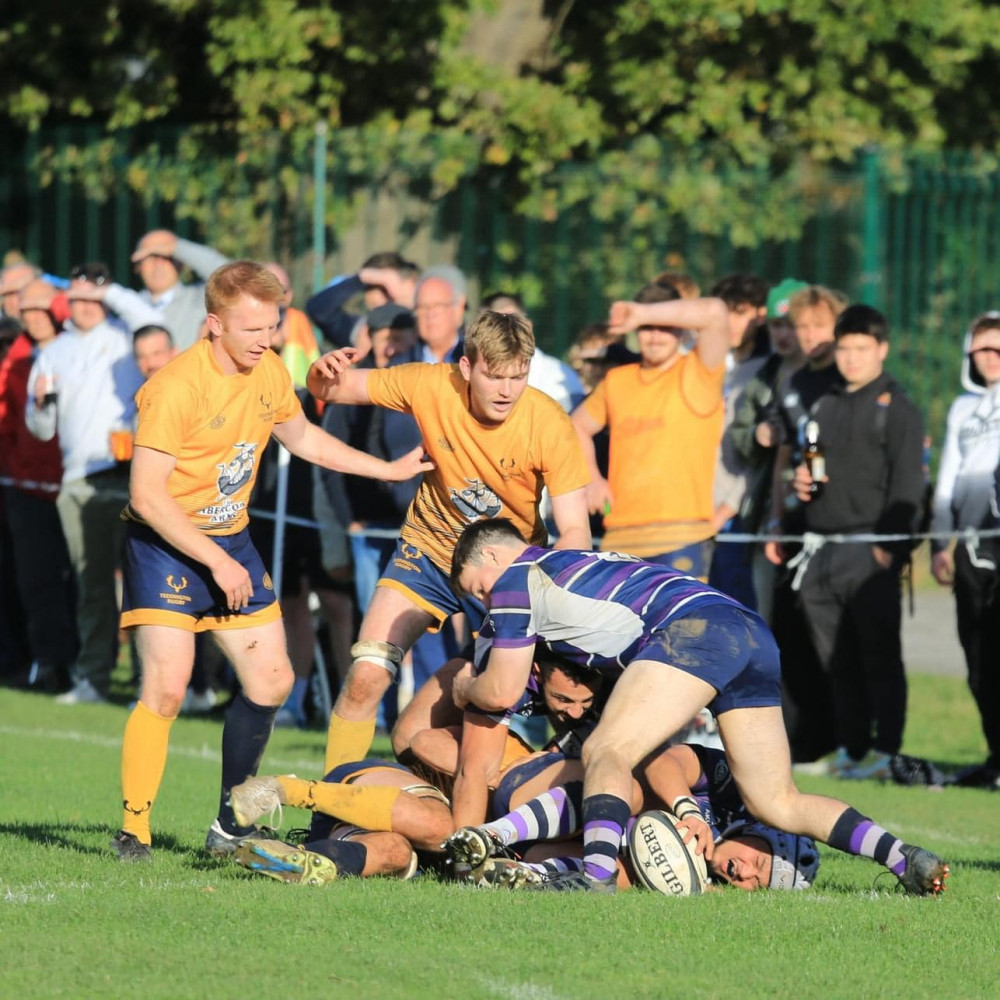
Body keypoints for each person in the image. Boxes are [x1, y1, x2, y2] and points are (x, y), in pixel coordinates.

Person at [111, 260, 432, 862]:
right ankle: (134, 830)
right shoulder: (175, 387)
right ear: (213, 325)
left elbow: (304, 438)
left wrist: (387, 468)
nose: (266, 339)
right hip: (164, 544)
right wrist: (217, 561)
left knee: (273, 680)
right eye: (252, 329)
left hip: (228, 540)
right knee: (168, 687)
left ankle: (229, 827)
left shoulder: (267, 374)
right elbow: (147, 496)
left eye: (273, 327)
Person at [449, 517, 948, 896]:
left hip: (694, 630)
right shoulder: (577, 562)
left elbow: (500, 691)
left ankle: (594, 876)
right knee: (776, 801)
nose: (485, 602)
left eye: (478, 588)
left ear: (493, 557)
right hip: (749, 631)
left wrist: (464, 688)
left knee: (607, 748)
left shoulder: (516, 580)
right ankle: (904, 858)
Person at [306, 309, 592, 776]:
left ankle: (552, 801)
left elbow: (575, 530)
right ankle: (333, 813)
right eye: (494, 376)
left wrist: (551, 586)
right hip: (429, 553)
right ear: (465, 367)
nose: (507, 390)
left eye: (518, 377)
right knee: (366, 675)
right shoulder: (429, 384)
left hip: (507, 573)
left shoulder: (548, 423)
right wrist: (320, 374)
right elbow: (330, 388)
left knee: (552, 701)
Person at [790, 305, 925, 781]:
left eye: (861, 349)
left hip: (871, 548)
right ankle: (851, 747)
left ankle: (887, 751)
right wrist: (799, 483)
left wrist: (892, 549)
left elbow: (910, 484)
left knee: (878, 654)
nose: (850, 358)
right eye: (844, 348)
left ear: (882, 350)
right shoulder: (823, 403)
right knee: (835, 659)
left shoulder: (898, 407)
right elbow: (805, 467)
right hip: (820, 548)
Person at [25, 262, 160, 704]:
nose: (86, 306)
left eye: (93, 298)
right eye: (79, 298)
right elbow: (40, 427)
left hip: (134, 475)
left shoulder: (123, 334)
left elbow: (149, 320)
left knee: (148, 585)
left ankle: (151, 683)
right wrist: (43, 405)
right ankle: (93, 678)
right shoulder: (54, 351)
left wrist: (106, 289)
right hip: (80, 480)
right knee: (94, 586)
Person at [446, 742, 820, 892]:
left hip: (543, 845)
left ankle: (524, 876)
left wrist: (684, 887)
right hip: (542, 790)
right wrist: (688, 810)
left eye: (759, 884)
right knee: (632, 790)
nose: (747, 873)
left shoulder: (713, 881)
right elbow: (663, 760)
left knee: (637, 873)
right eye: (759, 861)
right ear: (758, 832)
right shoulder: (734, 791)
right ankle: (493, 834)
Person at [570, 285, 729, 579]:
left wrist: (642, 313)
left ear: (681, 331)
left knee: (681, 627)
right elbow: (574, 426)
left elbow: (716, 313)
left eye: (665, 327)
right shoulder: (617, 380)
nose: (654, 336)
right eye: (646, 328)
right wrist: (593, 479)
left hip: (683, 537)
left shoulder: (698, 372)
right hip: (620, 539)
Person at [930, 312, 1000, 789]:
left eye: (997, 349)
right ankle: (995, 755)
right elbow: (949, 478)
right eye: (980, 351)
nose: (989, 358)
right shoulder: (961, 410)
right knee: (979, 658)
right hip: (970, 546)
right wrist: (940, 541)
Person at [0, 278, 77, 692]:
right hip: (27, 485)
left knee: (82, 579)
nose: (32, 316)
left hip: (74, 480)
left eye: (41, 308)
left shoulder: (78, 349)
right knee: (37, 580)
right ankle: (49, 663)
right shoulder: (17, 356)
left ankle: (85, 663)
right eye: (26, 309)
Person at [131, 230, 229, 350]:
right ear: (138, 266)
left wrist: (177, 248)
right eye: (151, 256)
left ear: (180, 264)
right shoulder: (128, 305)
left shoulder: (199, 299)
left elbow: (230, 276)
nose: (158, 264)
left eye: (167, 257)